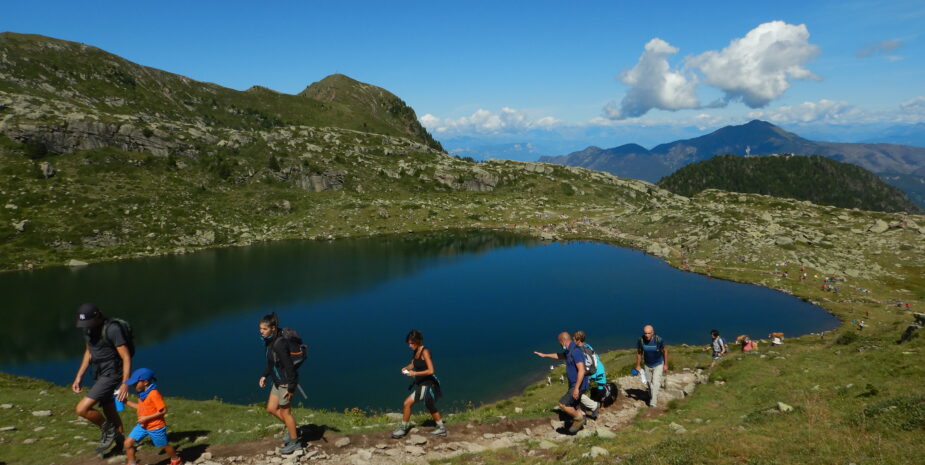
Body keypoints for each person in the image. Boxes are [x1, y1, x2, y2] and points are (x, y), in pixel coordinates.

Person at [71, 303, 131, 454]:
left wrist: (125, 383)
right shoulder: (88, 329)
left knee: (82, 409)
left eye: (89, 322)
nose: (87, 326)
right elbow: (88, 352)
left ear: (98, 316)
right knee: (108, 407)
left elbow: (126, 357)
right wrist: (79, 376)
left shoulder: (112, 329)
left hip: (112, 373)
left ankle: (109, 431)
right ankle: (122, 444)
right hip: (99, 371)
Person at [258, 313, 301, 455]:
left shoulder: (279, 343)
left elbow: (289, 367)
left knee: (285, 412)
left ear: (273, 328)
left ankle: (295, 442)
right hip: (277, 382)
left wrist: (292, 387)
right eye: (260, 328)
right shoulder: (270, 341)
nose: (261, 331)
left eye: (264, 329)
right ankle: (293, 429)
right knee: (271, 408)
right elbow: (271, 362)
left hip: (285, 383)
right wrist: (264, 375)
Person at [392, 330, 446, 438]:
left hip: (427, 385)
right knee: (430, 405)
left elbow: (431, 371)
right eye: (409, 343)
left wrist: (414, 373)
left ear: (418, 341)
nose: (410, 345)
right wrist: (406, 368)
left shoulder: (425, 352)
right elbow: (413, 364)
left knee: (407, 403)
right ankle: (441, 428)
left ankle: (403, 429)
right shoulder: (416, 351)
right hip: (422, 384)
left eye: (412, 343)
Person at [122, 368, 181, 465]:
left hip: (155, 426)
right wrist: (126, 401)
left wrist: (146, 418)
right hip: (143, 426)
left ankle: (176, 459)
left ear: (145, 382)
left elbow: (163, 411)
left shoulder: (154, 394)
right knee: (127, 444)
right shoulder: (142, 394)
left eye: (135, 383)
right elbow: (140, 408)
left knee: (164, 446)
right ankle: (131, 463)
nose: (133, 386)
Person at [534, 332, 588, 434]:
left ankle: (579, 419)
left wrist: (576, 388)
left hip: (578, 385)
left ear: (563, 341)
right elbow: (559, 355)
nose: (559, 344)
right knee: (575, 404)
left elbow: (582, 370)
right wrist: (544, 355)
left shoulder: (575, 351)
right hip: (574, 384)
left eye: (559, 342)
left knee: (563, 404)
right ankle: (581, 423)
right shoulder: (569, 350)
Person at [635, 325, 668, 408]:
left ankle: (653, 402)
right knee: (649, 382)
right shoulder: (641, 340)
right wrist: (638, 365)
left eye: (649, 333)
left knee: (656, 382)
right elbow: (639, 353)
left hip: (658, 364)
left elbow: (665, 351)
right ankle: (652, 395)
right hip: (647, 364)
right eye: (645, 333)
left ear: (653, 332)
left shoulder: (659, 340)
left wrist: (666, 364)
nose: (647, 335)